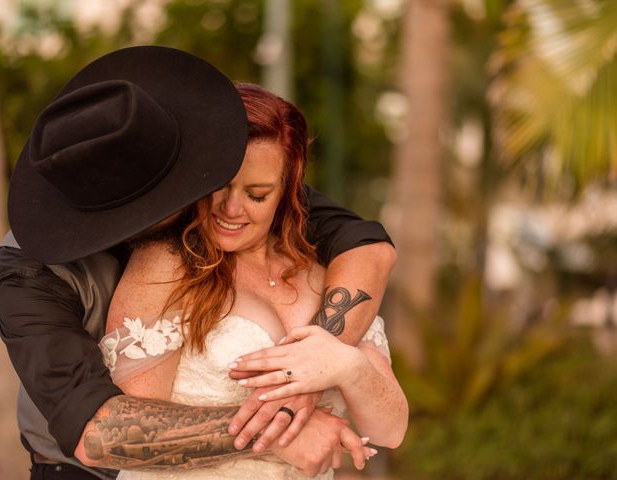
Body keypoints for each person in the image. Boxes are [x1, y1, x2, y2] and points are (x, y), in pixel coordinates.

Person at [0, 46, 397, 480]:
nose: (215, 204)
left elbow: (367, 248)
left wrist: (314, 365)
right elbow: (96, 435)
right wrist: (276, 433)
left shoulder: (214, 185)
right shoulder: (25, 274)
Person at [89, 82, 407, 480]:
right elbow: (126, 437)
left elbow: (390, 430)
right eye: (219, 185)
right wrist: (275, 434)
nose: (231, 208)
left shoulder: (322, 271)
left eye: (257, 194)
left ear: (287, 192)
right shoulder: (166, 265)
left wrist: (347, 366)